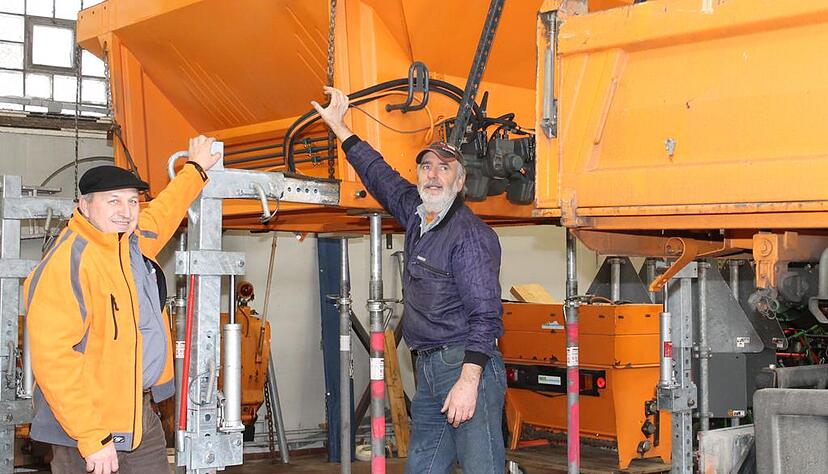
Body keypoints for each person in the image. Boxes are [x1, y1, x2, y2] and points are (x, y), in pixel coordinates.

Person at [312, 87, 507, 473]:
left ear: (460, 181)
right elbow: (380, 175)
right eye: (426, 168)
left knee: (482, 468)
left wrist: (468, 382)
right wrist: (339, 126)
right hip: (430, 370)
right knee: (422, 467)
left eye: (444, 168)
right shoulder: (418, 215)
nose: (433, 176)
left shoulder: (469, 235)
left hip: (466, 368)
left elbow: (486, 316)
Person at [23, 136, 222, 474]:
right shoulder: (69, 264)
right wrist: (92, 438)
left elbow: (166, 209)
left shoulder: (132, 240)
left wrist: (196, 169)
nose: (125, 211)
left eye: (132, 202)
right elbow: (54, 358)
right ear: (84, 206)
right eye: (113, 201)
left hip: (138, 413)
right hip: (85, 424)